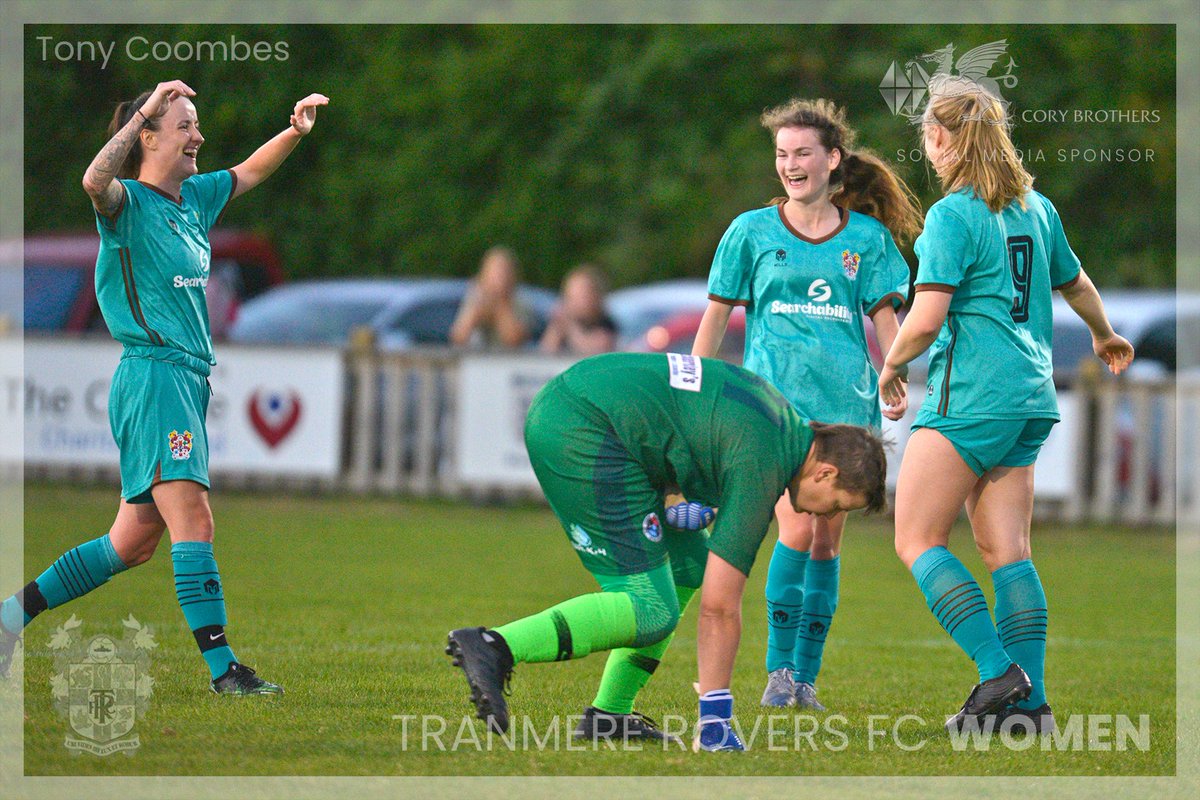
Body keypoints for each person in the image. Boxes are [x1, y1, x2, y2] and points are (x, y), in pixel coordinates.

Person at [0, 80, 328, 694]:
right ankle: (224, 670)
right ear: (148, 135)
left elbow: (250, 171)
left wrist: (295, 131)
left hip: (184, 381)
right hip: (155, 378)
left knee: (131, 545)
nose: (198, 135)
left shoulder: (194, 200)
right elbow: (93, 182)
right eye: (184, 125)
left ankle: (9, 617)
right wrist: (149, 104)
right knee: (194, 519)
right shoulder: (127, 205)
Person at [446, 352, 886, 751]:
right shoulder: (763, 465)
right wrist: (715, 721)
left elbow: (687, 422)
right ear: (825, 472)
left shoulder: (779, 419)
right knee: (651, 609)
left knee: (688, 566)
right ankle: (494, 644)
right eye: (837, 505)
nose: (825, 516)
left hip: (584, 404)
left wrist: (686, 494)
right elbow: (720, 608)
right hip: (584, 427)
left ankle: (610, 714)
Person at [878, 74, 1134, 733]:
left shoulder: (952, 216)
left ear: (940, 138)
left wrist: (892, 364)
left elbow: (929, 317)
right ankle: (1032, 708)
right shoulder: (1035, 208)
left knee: (915, 537)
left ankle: (999, 675)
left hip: (973, 399)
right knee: (1007, 552)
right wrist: (1105, 333)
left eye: (929, 136)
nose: (929, 147)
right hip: (1030, 398)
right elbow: (1076, 285)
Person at [691, 98, 923, 711]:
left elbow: (885, 318)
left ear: (832, 160)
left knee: (826, 542)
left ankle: (804, 678)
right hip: (776, 412)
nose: (790, 165)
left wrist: (894, 371)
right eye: (781, 155)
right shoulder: (751, 232)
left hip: (847, 409)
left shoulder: (867, 239)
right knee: (795, 528)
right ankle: (777, 675)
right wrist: (694, 379)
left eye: (802, 154)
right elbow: (717, 316)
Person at [449, 246, 535, 349]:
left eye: (503, 272)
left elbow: (514, 340)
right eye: (494, 272)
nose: (499, 278)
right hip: (476, 361)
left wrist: (500, 308)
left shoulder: (521, 302)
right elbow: (457, 338)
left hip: (508, 362)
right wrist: (475, 312)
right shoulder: (474, 298)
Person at [539, 263, 618, 356]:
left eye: (582, 297)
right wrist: (556, 329)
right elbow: (546, 352)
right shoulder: (559, 325)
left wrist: (570, 328)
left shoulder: (606, 325)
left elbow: (600, 348)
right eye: (572, 297)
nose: (576, 303)